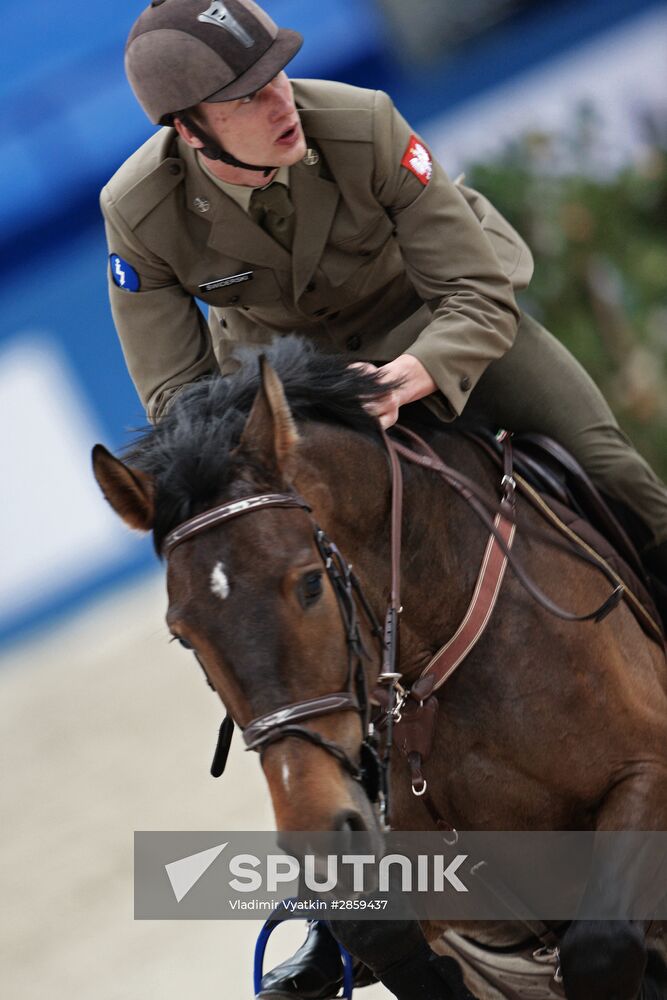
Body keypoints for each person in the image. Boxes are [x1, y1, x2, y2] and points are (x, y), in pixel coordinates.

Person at [102, 0, 667, 995]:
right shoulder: (138, 213)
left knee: (610, 467)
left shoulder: (357, 121)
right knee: (286, 622)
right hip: (288, 388)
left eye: (277, 74)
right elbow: (175, 399)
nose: (278, 100)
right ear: (186, 130)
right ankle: (346, 912)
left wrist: (416, 374)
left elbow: (478, 291)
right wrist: (242, 477)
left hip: (444, 327)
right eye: (245, 94)